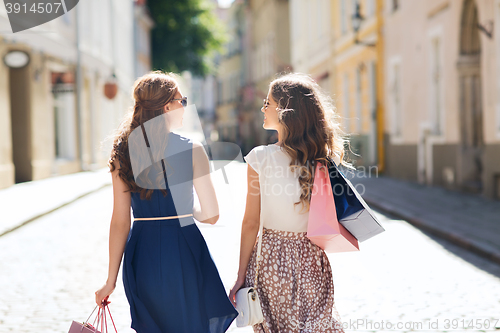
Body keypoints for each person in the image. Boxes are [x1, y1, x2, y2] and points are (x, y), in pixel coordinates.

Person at [95, 71, 238, 333]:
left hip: (142, 253)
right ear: (166, 106)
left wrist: (110, 281)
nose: (184, 107)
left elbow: (120, 221)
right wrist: (189, 209)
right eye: (181, 101)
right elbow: (211, 214)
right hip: (183, 249)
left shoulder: (122, 153)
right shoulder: (192, 149)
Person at [229, 73, 352, 333]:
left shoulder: (260, 158)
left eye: (268, 103)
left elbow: (251, 222)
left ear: (285, 111)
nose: (263, 108)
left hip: (271, 262)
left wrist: (241, 276)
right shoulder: (323, 158)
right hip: (311, 260)